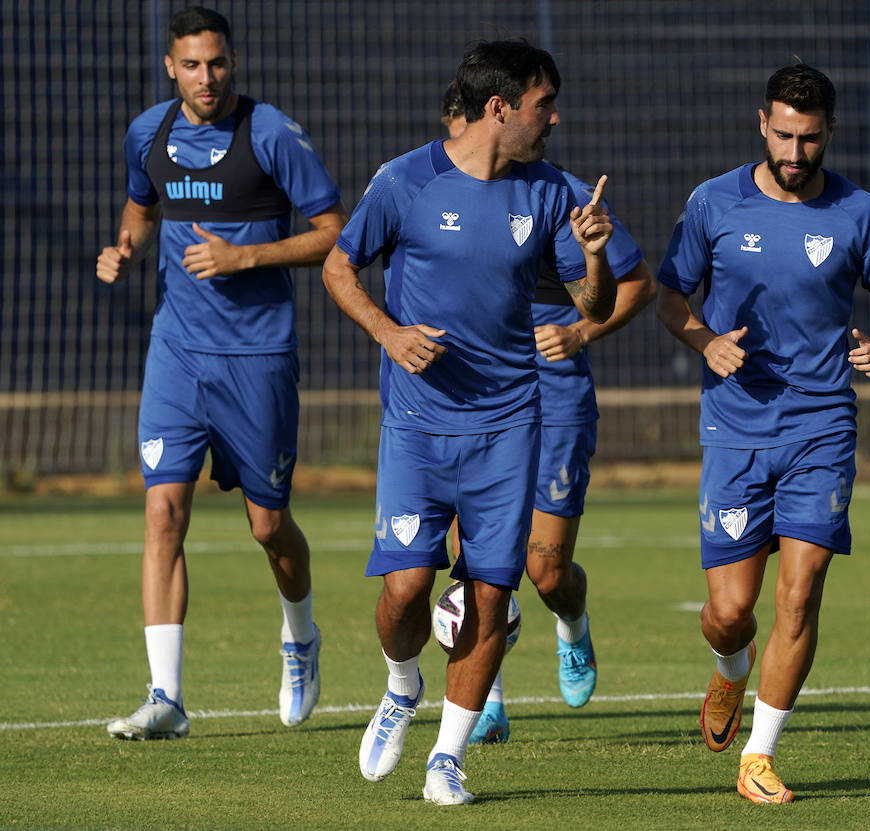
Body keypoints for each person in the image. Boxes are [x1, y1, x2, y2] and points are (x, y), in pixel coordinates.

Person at [322, 41, 617, 805]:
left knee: (490, 596)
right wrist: (388, 333)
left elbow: (595, 306)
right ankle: (399, 685)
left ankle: (447, 759)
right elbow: (337, 267)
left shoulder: (551, 193)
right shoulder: (404, 180)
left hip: (509, 426)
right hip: (418, 426)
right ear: (500, 108)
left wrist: (594, 258)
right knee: (405, 588)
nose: (555, 118)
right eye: (543, 104)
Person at [655, 63, 870, 803]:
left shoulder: (859, 212)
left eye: (809, 138)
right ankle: (731, 669)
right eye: (783, 134)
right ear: (762, 124)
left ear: (829, 131)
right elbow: (670, 296)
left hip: (822, 426)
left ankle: (759, 757)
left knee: (799, 595)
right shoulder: (713, 204)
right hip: (736, 429)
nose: (796, 152)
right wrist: (705, 340)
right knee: (730, 612)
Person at [95, 6, 347, 740]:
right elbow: (140, 209)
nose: (208, 78)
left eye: (219, 63)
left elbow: (336, 232)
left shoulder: (269, 134)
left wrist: (245, 257)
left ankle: (300, 635)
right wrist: (125, 249)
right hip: (176, 351)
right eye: (193, 65)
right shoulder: (149, 132)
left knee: (269, 526)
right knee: (162, 510)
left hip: (258, 356)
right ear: (170, 68)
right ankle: (165, 696)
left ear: (231, 63)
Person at [438, 82, 655, 744]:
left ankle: (573, 624)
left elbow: (639, 284)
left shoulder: (557, 195)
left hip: (554, 396)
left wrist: (580, 334)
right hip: (473, 396)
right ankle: (487, 700)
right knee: (472, 560)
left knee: (546, 570)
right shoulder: (430, 190)